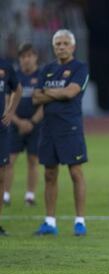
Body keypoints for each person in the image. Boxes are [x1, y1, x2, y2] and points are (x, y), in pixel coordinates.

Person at [32, 29, 89, 236]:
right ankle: (50, 222)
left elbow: (71, 92)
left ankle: (80, 221)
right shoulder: (46, 69)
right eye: (58, 43)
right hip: (48, 128)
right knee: (49, 174)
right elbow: (35, 99)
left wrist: (47, 92)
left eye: (65, 43)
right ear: (53, 47)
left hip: (70, 127)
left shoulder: (80, 67)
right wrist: (57, 94)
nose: (61, 47)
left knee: (75, 172)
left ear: (73, 47)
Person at [4, 43, 43, 207]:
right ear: (19, 59)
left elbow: (45, 103)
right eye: (23, 57)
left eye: (29, 56)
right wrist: (18, 121)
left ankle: (30, 195)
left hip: (36, 125)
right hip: (14, 124)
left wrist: (32, 121)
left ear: (35, 57)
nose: (26, 60)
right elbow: (5, 102)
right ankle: (5, 194)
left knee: (33, 160)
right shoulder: (12, 75)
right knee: (9, 161)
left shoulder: (42, 75)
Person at [0, 57, 22, 236]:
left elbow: (17, 88)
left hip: (1, 131)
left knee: (0, 177)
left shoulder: (6, 66)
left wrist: (10, 111)